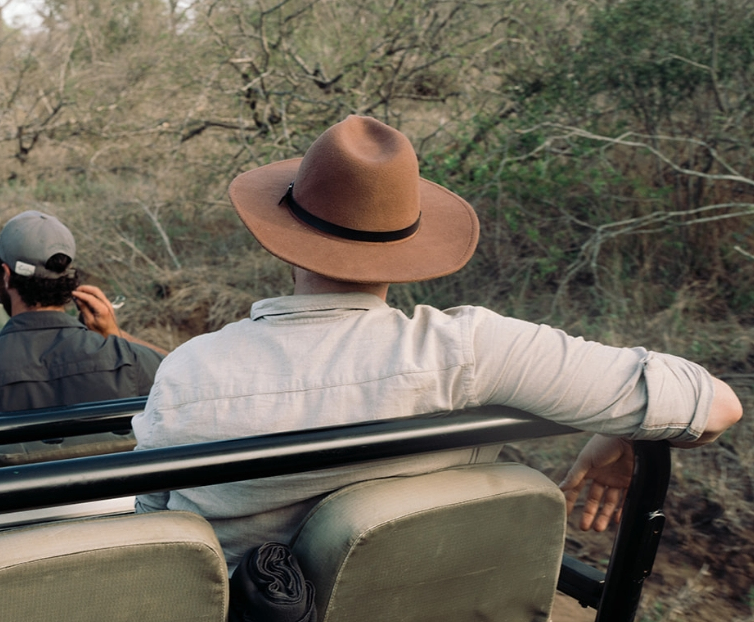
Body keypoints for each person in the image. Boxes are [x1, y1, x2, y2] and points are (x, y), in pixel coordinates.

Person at [132, 115, 742, 569]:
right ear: (405, 248)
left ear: (281, 234)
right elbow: (717, 406)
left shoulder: (191, 372)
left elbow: (156, 539)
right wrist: (628, 431)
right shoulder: (473, 351)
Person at [0, 210, 166, 474]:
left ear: (6, 275)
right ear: (69, 279)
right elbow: (186, 371)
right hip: (120, 513)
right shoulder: (131, 361)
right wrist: (118, 336)